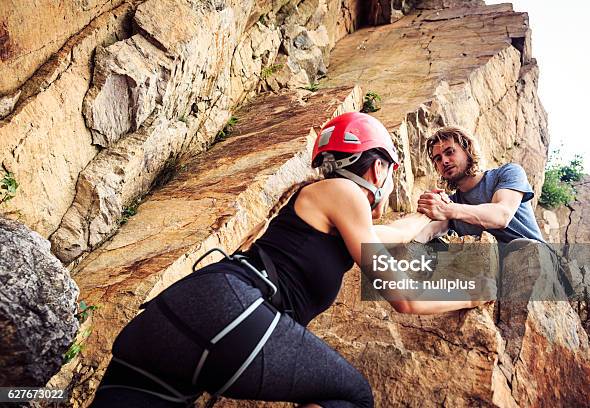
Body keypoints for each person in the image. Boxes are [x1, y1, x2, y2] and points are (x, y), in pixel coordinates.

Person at [90, 113, 487, 408]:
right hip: (230, 311)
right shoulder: (344, 194)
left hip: (167, 322)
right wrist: (474, 292)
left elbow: (395, 234)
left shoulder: (324, 209)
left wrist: (439, 213)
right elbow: (404, 298)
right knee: (350, 396)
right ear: (378, 165)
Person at [415, 126, 545, 245]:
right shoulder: (451, 203)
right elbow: (427, 232)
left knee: (519, 246)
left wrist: (446, 209)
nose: (444, 161)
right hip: (494, 267)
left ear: (468, 150)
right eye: (438, 159)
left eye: (450, 152)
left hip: (538, 259)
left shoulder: (507, 173)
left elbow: (501, 216)